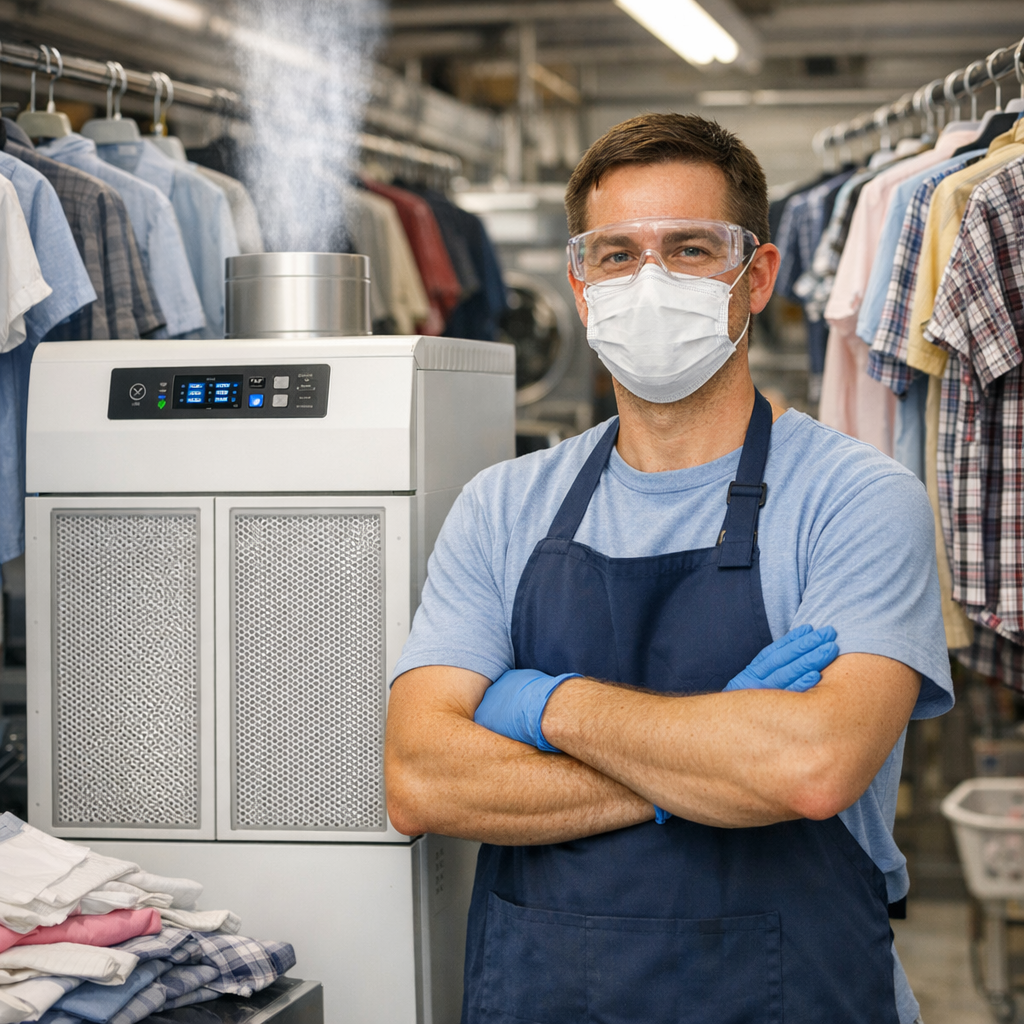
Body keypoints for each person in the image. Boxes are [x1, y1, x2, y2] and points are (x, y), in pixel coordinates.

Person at [385, 113, 952, 1024]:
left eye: (690, 249)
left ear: (755, 276)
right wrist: (715, 760)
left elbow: (811, 768)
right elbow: (421, 779)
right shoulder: (504, 505)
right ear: (579, 283)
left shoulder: (857, 499)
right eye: (615, 254)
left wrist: (541, 704)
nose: (648, 282)